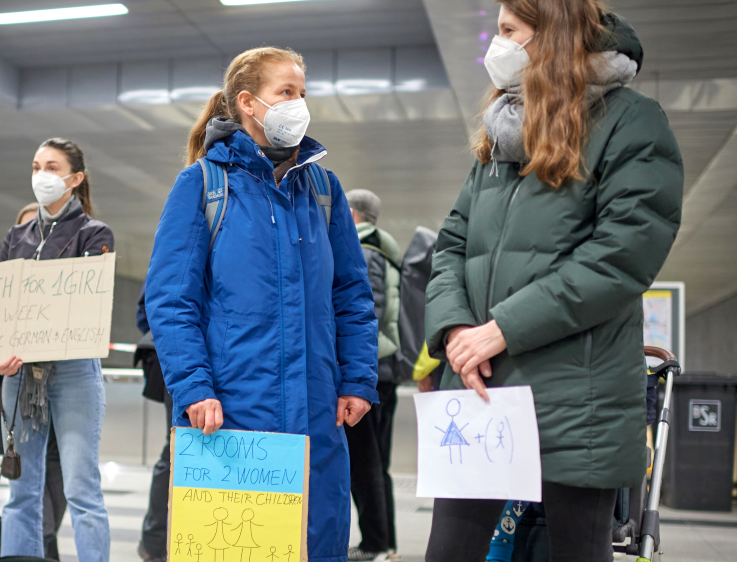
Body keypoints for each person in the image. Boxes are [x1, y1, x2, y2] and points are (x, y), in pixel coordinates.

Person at [422, 2, 683, 561]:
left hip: (578, 400)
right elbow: (451, 246)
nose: (498, 46)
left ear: (555, 37)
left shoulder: (632, 121)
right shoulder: (500, 136)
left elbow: (622, 256)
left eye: (510, 32)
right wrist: (455, 331)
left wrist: (501, 330)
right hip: (482, 392)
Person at [145, 47, 380, 562]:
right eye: (287, 93)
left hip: (318, 412)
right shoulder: (204, 184)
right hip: (231, 411)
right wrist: (193, 389)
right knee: (239, 547)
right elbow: (171, 300)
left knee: (315, 543)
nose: (300, 104)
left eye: (302, 92)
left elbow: (352, 294)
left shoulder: (323, 189)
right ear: (249, 103)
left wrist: (358, 378)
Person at [0, 138, 114, 561]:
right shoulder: (16, 236)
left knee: (81, 488)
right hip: (20, 374)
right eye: (36, 166)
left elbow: (85, 308)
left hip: (74, 372)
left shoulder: (94, 234)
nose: (41, 175)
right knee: (21, 490)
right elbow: (1, 306)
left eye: (52, 167)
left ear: (75, 178)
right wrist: (0, 347)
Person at [0, 201, 68, 561]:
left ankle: (46, 548)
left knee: (59, 497)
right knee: (29, 497)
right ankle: (42, 552)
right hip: (22, 403)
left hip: (58, 398)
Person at [343, 189, 402, 562]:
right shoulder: (386, 252)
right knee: (376, 463)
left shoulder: (364, 253)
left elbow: (369, 314)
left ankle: (376, 544)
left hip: (371, 372)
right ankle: (384, 542)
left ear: (352, 213)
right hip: (385, 370)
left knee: (365, 463)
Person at [135, 283, 171, 562]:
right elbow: (147, 312)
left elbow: (143, 314)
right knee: (177, 449)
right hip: (183, 358)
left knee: (174, 451)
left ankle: (154, 543)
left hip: (178, 356)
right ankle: (155, 543)